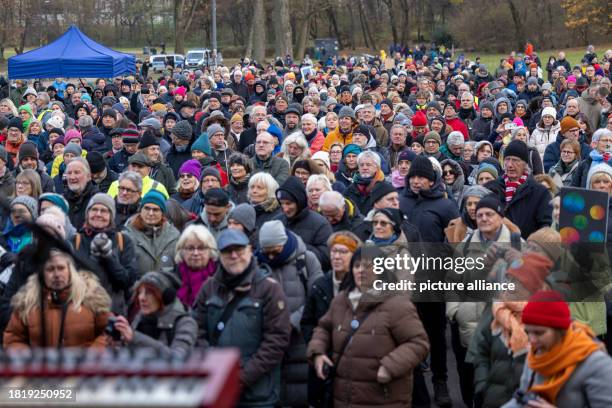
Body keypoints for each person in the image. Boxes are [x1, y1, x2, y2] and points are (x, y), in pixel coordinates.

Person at [307, 245, 430, 408]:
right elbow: (323, 328)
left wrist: (390, 366)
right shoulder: (341, 301)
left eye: (368, 265)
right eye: (357, 266)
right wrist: (317, 352)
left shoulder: (397, 304)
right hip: (344, 398)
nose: (361, 270)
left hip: (382, 398)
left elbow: (418, 343)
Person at [193, 229, 291, 407]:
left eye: (239, 249)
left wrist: (241, 377)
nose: (233, 255)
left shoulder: (269, 289)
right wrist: (213, 367)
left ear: (250, 250)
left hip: (258, 394)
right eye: (227, 251)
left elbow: (277, 340)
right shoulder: (209, 288)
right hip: (216, 387)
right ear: (219, 255)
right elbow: (196, 331)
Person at [502, 291, 612, 408]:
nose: (531, 340)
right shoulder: (534, 357)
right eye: (528, 332)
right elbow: (521, 401)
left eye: (539, 333)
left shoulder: (596, 364)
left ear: (560, 330)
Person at [256, 221, 323, 407]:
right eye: (266, 251)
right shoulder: (257, 263)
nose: (270, 256)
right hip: (268, 339)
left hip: (300, 338)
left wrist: (291, 322)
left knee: (299, 392)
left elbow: (316, 298)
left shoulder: (307, 260)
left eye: (275, 250)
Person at [3, 250, 111, 348]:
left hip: (84, 368)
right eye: (50, 269)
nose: (57, 274)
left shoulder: (91, 297)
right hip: (42, 368)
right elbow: (13, 338)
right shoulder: (27, 301)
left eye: (61, 268)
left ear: (70, 270)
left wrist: (91, 358)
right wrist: (30, 361)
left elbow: (107, 333)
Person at [72, 193, 137, 314]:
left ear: (111, 216)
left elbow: (128, 281)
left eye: (104, 211)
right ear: (87, 214)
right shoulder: (75, 240)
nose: (98, 214)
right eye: (94, 210)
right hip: (80, 311)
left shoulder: (123, 241)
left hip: (113, 312)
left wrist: (109, 257)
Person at [112, 271, 197, 359]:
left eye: (149, 293)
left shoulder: (185, 323)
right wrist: (119, 343)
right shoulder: (140, 318)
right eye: (140, 292)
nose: (141, 298)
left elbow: (177, 358)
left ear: (166, 297)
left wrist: (134, 337)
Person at [485, 140, 552, 239]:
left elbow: (545, 227)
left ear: (525, 164)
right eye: (507, 159)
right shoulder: (491, 188)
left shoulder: (540, 192)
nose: (510, 165)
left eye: (515, 160)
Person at [276, 176, 333, 271]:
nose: (285, 208)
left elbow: (326, 260)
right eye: (282, 203)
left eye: (289, 203)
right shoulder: (276, 222)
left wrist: (296, 245)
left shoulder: (320, 224)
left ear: (299, 201)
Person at [124, 190, 180, 278]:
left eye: (155, 209)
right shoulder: (127, 235)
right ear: (140, 210)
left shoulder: (174, 237)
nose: (150, 213)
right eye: (147, 208)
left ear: (162, 213)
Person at [174, 224, 218, 308]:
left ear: (211, 250)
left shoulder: (220, 278)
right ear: (181, 251)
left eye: (201, 248)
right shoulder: (172, 279)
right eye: (190, 248)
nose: (196, 253)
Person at [344, 150, 386, 215]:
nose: (364, 168)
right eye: (361, 165)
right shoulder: (350, 190)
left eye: (368, 165)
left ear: (377, 167)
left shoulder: (385, 189)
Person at [63, 158, 99, 228]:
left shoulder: (98, 200)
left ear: (88, 176)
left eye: (77, 172)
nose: (72, 177)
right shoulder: (62, 201)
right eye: (69, 173)